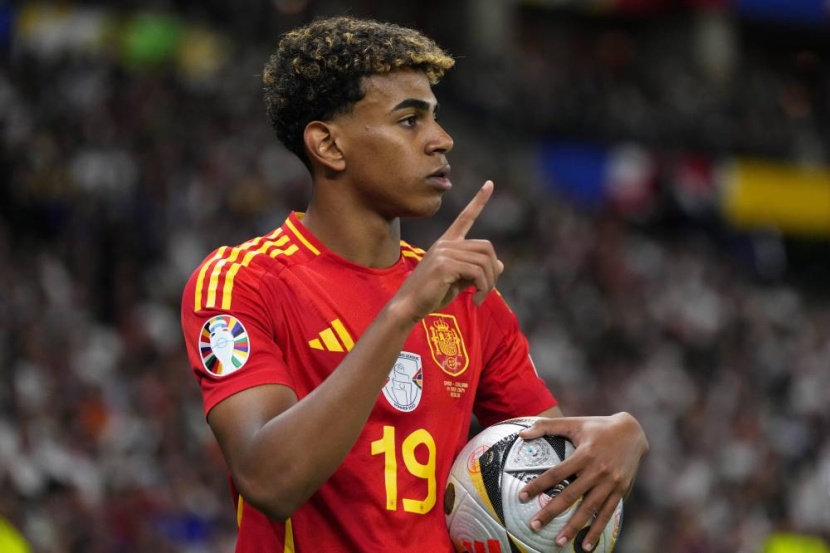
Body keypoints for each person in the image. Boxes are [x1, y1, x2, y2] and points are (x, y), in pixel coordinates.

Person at [180, 15, 648, 552]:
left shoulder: (466, 297)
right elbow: (269, 481)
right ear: (328, 145)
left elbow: (543, 471)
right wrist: (402, 312)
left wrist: (616, 438)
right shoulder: (242, 282)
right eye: (409, 120)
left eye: (435, 117)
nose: (442, 139)